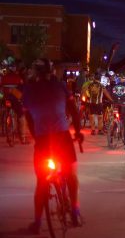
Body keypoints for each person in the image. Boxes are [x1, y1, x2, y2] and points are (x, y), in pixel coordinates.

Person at [23, 59, 84, 234]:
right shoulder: (61, 86)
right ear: (52, 72)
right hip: (62, 137)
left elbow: (27, 118)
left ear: (35, 73)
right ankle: (75, 211)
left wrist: (36, 137)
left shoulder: (28, 90)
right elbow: (73, 109)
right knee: (71, 174)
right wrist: (78, 132)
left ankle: (37, 223)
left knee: (41, 183)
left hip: (43, 140)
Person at [111, 74, 125, 149]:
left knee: (116, 120)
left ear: (119, 79)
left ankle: (111, 138)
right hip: (124, 106)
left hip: (116, 106)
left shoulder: (114, 87)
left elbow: (112, 95)